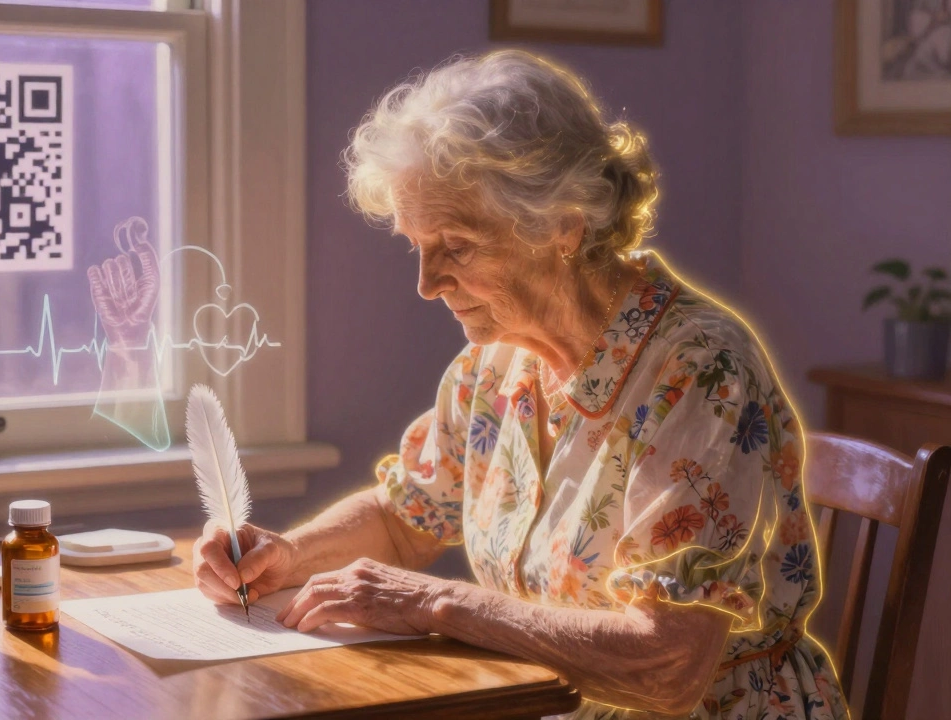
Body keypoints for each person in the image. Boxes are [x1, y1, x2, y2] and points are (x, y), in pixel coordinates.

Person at [193, 50, 846, 719]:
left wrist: (434, 603)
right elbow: (404, 520)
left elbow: (667, 665)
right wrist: (288, 554)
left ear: (563, 226)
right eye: (417, 245)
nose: (427, 284)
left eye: (458, 247)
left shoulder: (702, 372)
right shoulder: (495, 367)